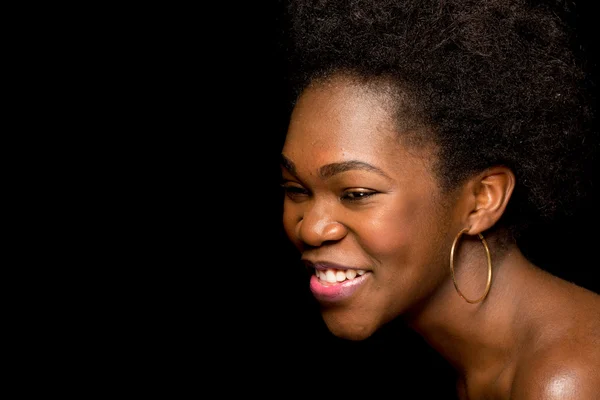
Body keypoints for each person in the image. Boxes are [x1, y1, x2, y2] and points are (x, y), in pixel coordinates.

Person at [277, 0, 600, 398]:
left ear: (481, 200)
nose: (310, 227)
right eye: (295, 190)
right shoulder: (473, 366)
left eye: (356, 193)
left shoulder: (566, 382)